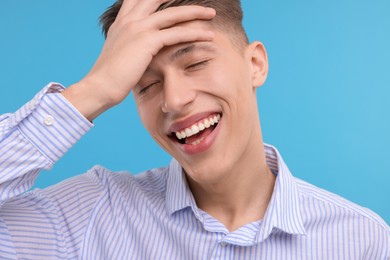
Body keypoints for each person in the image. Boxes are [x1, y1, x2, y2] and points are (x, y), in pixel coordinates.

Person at [0, 0, 388, 259]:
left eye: (196, 63)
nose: (173, 99)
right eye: (146, 85)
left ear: (255, 64)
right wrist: (93, 90)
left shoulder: (362, 239)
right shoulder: (89, 216)